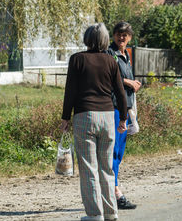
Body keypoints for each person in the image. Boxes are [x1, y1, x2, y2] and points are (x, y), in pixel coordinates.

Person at [61, 23, 128, 221]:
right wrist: (123, 118)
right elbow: (120, 92)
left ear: (87, 39)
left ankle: (94, 214)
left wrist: (65, 117)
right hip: (108, 117)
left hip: (84, 117)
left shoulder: (77, 59)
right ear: (106, 40)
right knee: (106, 168)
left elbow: (70, 90)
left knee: (89, 168)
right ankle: (111, 212)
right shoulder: (111, 60)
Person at [106, 21, 141, 210]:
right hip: (113, 108)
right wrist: (128, 82)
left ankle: (114, 189)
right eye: (119, 34)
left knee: (119, 152)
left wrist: (133, 83)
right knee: (112, 151)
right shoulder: (109, 54)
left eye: (126, 34)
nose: (122, 37)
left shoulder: (126, 55)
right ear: (113, 35)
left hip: (125, 108)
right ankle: (115, 192)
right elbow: (109, 78)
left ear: (130, 37)